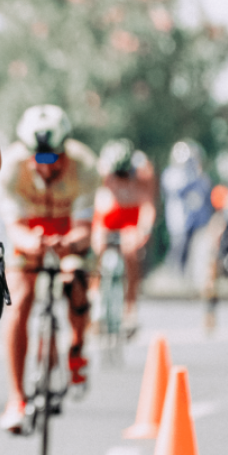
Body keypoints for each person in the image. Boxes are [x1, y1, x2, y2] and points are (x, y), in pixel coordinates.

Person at [0, 105, 97, 433]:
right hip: (30, 234)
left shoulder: (86, 167)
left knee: (75, 278)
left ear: (65, 150)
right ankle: (16, 397)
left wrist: (68, 243)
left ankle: (77, 348)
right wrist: (34, 242)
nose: (46, 165)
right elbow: (15, 229)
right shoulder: (10, 169)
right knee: (20, 299)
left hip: (70, 232)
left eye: (53, 158)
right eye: (38, 158)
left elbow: (84, 230)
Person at [92, 140, 156, 332]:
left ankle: (130, 307)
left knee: (131, 254)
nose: (120, 178)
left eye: (125, 173)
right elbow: (94, 205)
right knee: (98, 250)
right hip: (107, 217)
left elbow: (147, 206)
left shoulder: (144, 173)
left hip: (131, 219)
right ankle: (95, 298)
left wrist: (143, 232)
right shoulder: (101, 172)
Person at [160, 140, 212, 274]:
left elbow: (204, 189)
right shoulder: (170, 173)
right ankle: (173, 274)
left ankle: (186, 276)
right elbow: (178, 191)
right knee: (178, 246)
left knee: (192, 248)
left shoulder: (194, 173)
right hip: (177, 218)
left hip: (192, 219)